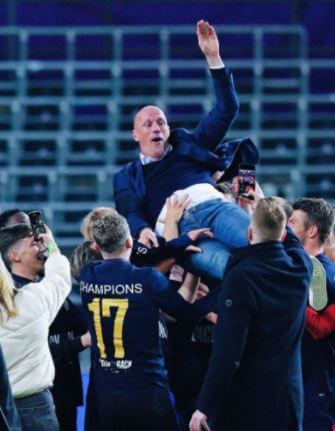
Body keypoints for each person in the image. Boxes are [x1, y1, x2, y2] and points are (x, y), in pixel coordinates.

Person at [114, 20, 258, 282]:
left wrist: (214, 57)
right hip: (178, 230)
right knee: (232, 272)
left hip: (212, 206)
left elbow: (227, 109)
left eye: (161, 122)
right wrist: (143, 229)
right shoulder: (126, 176)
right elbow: (130, 210)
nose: (157, 127)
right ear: (136, 135)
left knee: (262, 246)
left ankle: (310, 275)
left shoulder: (188, 144)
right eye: (148, 124)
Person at [80, 211, 219, 431]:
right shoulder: (146, 278)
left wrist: (178, 246)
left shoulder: (88, 275)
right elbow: (187, 314)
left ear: (96, 247)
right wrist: (226, 287)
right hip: (147, 389)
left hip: (105, 392)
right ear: (129, 242)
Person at [189, 197, 313, 431]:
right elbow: (292, 242)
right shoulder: (301, 267)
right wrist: (268, 209)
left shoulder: (241, 277)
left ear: (248, 234)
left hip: (249, 401)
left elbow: (228, 352)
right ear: (283, 235)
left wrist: (204, 405)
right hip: (288, 399)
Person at [0, 209, 91, 431]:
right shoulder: (34, 298)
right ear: (14, 256)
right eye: (34, 243)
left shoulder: (40, 290)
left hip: (60, 391)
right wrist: (51, 245)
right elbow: (61, 276)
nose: (41, 248)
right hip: (36, 399)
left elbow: (80, 323)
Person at [288, 197, 335, 431]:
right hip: (304, 380)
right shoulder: (304, 267)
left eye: (292, 222)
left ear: (312, 230)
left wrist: (287, 293)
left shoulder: (320, 272)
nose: (286, 227)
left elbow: (318, 328)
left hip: (317, 384)